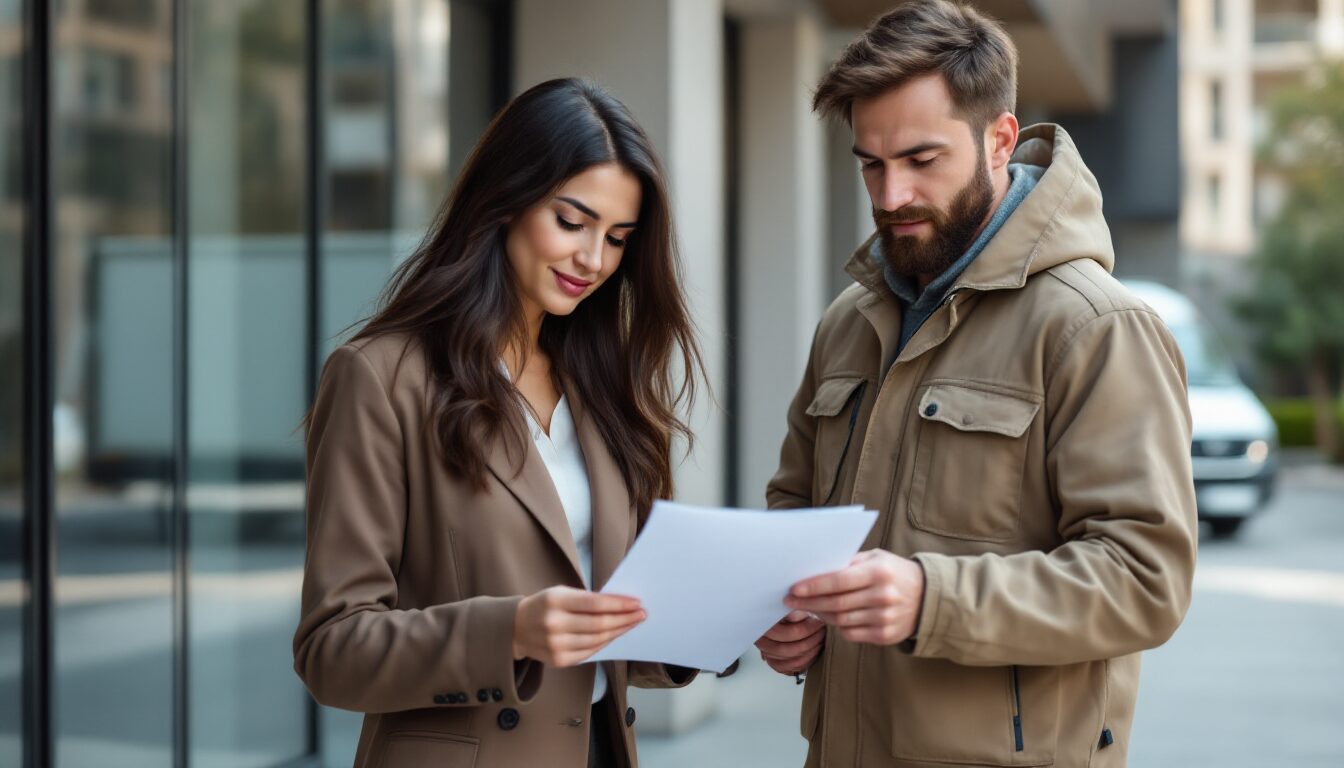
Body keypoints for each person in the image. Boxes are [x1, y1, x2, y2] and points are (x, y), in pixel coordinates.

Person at [754, 2, 1198, 766]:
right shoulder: (848, 323)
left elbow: (1144, 579)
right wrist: (780, 607)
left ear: (999, 140)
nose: (891, 196)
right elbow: (794, 509)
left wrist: (934, 599)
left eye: (922, 161)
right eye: (871, 163)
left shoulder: (1095, 328)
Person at [293, 77, 703, 768]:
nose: (593, 260)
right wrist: (508, 630)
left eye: (618, 238)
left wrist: (719, 620)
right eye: (571, 222)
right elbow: (332, 649)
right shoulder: (382, 377)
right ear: (505, 201)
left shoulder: (604, 385)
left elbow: (623, 630)